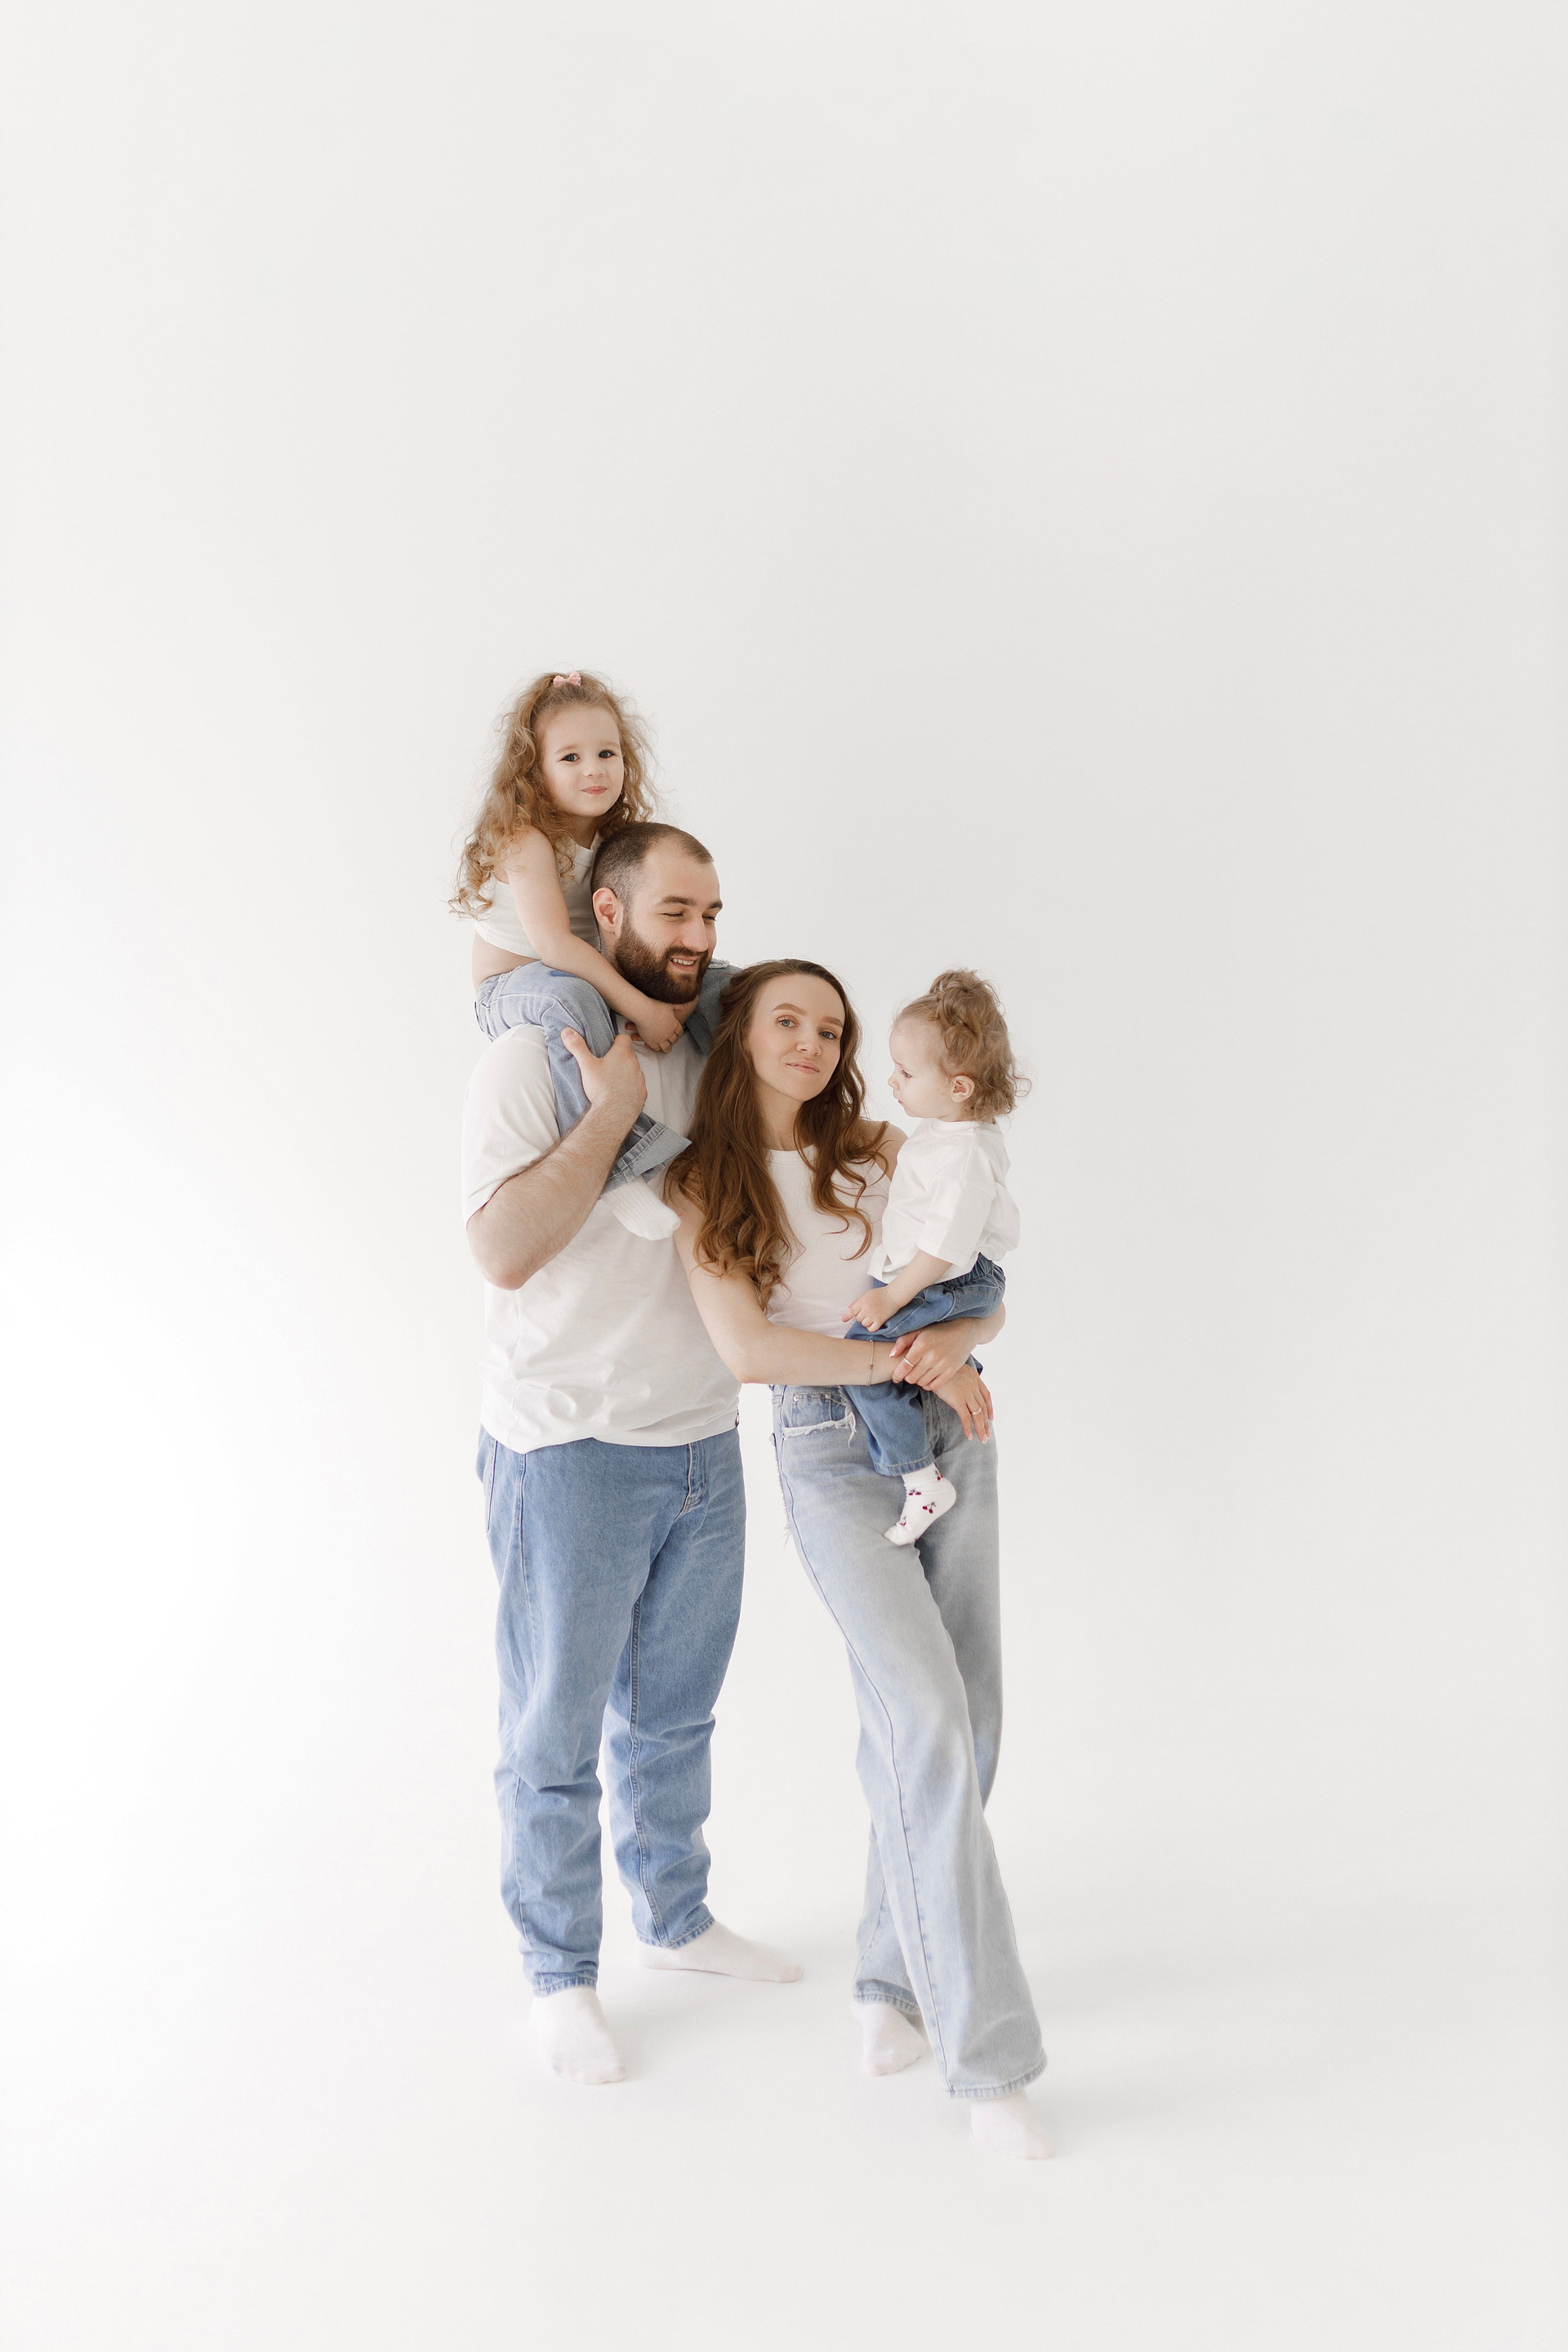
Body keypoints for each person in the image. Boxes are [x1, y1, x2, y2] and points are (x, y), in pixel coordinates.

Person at [666, 960, 1052, 2160]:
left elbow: (985, 1289)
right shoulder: (705, 1179)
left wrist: (955, 1347)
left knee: (966, 1718)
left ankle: (888, 1975)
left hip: (950, 1428)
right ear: (741, 1038)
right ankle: (989, 2064)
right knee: (922, 1716)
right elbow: (754, 1353)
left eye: (833, 1028)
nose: (817, 1044)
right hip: (832, 1454)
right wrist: (897, 1358)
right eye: (788, 1021)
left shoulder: (886, 1148)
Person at [462, 826, 799, 2091]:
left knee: (673, 1716)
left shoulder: (710, 1045)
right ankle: (561, 1975)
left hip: (701, 1432)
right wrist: (609, 1117)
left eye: (712, 913)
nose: (699, 936)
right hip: (568, 1443)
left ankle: (676, 1916)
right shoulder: (533, 1052)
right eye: (674, 912)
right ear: (603, 913)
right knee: (553, 1735)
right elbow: (503, 1250)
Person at [453, 670, 728, 1241]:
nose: (594, 770)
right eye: (571, 758)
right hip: (515, 987)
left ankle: (745, 1112)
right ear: (535, 772)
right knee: (571, 995)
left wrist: (676, 988)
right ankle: (620, 1169)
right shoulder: (525, 838)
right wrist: (643, 1008)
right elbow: (554, 946)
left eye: (607, 753)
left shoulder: (612, 835)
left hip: (579, 968)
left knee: (723, 981)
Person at [840, 969, 1023, 1546]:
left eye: (906, 1072)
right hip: (945, 1279)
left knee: (862, 1357)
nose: (891, 1080)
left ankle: (921, 1481)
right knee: (884, 1354)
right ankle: (948, 1385)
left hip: (955, 1279)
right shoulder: (944, 1135)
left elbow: (945, 1247)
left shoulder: (965, 1154)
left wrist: (892, 1295)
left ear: (959, 1087)